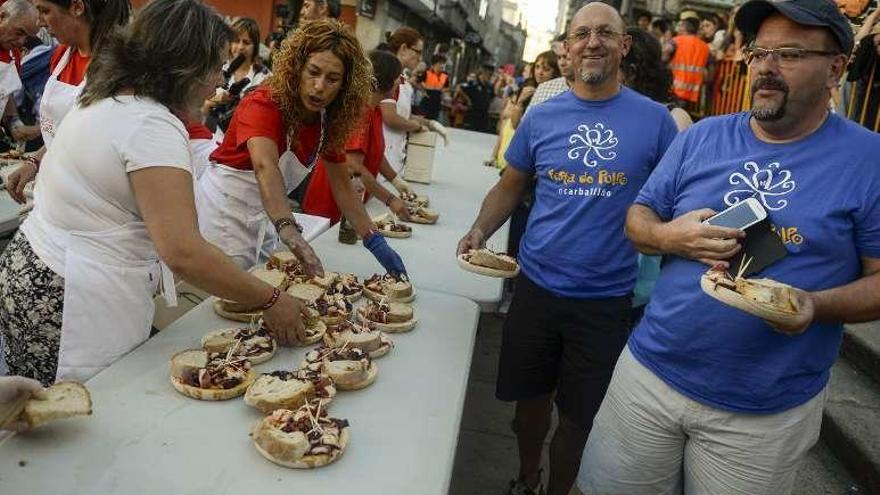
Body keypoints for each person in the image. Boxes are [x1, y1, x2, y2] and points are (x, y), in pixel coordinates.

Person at [580, 1, 880, 494]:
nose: (765, 66)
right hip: (649, 377)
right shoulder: (702, 136)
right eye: (759, 52)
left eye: (788, 54)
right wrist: (666, 236)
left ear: (836, 69)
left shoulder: (868, 161)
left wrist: (813, 306)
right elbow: (638, 218)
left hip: (764, 414)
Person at [0, 0, 306, 386]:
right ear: (185, 65)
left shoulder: (112, 95)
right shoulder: (150, 125)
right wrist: (271, 300)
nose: (219, 81)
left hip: (36, 272)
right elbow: (183, 251)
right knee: (73, 422)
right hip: (70, 295)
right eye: (215, 66)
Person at [457, 4, 679, 494]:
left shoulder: (656, 122)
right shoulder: (543, 113)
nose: (593, 42)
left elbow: (672, 201)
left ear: (624, 46)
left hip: (606, 301)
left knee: (580, 419)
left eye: (605, 33)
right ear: (567, 47)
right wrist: (479, 230)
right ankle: (525, 477)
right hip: (536, 289)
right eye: (582, 34)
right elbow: (511, 186)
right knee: (528, 405)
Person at [196, 19, 405, 277]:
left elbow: (342, 185)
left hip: (266, 219)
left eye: (332, 79)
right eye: (313, 72)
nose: (319, 86)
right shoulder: (264, 103)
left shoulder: (326, 119)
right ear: (297, 68)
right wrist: (288, 228)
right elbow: (265, 166)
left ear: (345, 85)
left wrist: (374, 240)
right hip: (222, 219)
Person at [5, 0, 130, 204]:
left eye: (45, 11)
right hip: (61, 188)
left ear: (77, 7)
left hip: (93, 198)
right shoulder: (61, 55)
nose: (40, 22)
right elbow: (61, 132)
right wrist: (34, 162)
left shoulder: (117, 69)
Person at [302, 50, 412, 224]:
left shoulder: (374, 110)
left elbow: (375, 153)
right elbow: (353, 166)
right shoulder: (360, 113)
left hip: (350, 202)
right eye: (398, 77)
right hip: (331, 205)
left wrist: (396, 180)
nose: (401, 81)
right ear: (387, 81)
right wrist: (390, 199)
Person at [201, 17, 270, 133]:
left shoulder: (264, 77)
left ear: (255, 46)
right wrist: (212, 102)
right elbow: (199, 112)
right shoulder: (215, 69)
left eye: (246, 42)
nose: (240, 47)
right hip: (209, 137)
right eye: (236, 41)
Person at [378, 26, 428, 179]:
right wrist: (416, 126)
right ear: (404, 48)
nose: (420, 58)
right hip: (383, 155)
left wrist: (427, 123)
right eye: (418, 52)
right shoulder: (389, 76)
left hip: (394, 156)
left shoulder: (402, 79)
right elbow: (390, 117)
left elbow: (401, 113)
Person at [669, 16, 710, 108]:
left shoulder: (676, 41)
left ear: (684, 27)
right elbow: (709, 72)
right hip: (691, 94)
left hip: (672, 90)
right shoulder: (705, 47)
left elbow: (664, 54)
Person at [528, 38, 573, 110]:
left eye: (566, 57)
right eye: (559, 57)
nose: (562, 63)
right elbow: (527, 120)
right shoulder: (544, 88)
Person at [421, 54, 448, 120]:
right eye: (440, 63)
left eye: (443, 63)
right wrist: (422, 90)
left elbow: (447, 87)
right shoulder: (427, 72)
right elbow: (418, 81)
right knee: (423, 117)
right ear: (435, 64)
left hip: (437, 98)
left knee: (434, 119)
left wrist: (443, 91)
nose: (442, 65)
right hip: (427, 97)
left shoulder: (445, 75)